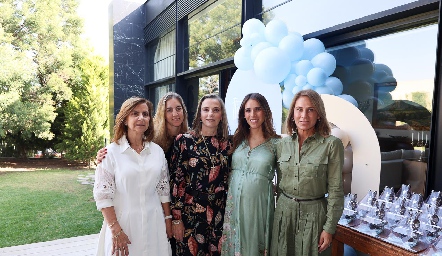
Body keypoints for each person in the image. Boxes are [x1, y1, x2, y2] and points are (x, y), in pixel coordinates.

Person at [95, 92, 189, 256]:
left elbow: (163, 191)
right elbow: (103, 197)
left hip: (155, 224)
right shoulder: (110, 153)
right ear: (125, 119)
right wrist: (115, 229)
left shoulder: (157, 151)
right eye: (135, 114)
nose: (141, 118)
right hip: (123, 225)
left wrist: (167, 220)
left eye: (145, 114)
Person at [270, 89, 344, 256]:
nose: (304, 115)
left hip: (315, 215)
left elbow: (336, 190)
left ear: (319, 114)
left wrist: (329, 228)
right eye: (299, 109)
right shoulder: (282, 144)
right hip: (284, 213)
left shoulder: (331, 144)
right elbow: (280, 182)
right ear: (292, 114)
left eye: (310, 110)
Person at [170, 93, 231, 256]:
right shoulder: (185, 140)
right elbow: (177, 181)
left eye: (215, 110)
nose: (210, 114)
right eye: (206, 110)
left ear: (221, 115)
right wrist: (176, 219)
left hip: (220, 212)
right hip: (191, 212)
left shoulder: (228, 143)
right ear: (200, 114)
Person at [221, 93, 280, 256]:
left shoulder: (277, 143)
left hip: (259, 205)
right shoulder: (236, 140)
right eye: (248, 110)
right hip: (234, 205)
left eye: (257, 109)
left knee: (255, 246)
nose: (252, 115)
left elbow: (284, 178)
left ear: (265, 112)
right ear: (243, 114)